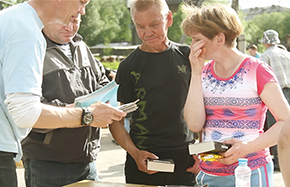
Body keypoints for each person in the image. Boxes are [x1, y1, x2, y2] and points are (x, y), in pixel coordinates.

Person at [0, 1, 126, 186]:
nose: (82, 10)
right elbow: (25, 112)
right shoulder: (26, 32)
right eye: (82, 1)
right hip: (43, 159)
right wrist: (87, 115)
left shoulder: (13, 20)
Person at [181, 4, 290, 187]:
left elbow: (286, 122)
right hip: (209, 174)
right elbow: (194, 124)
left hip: (251, 173)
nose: (192, 46)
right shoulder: (202, 72)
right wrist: (196, 73)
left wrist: (246, 148)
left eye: (196, 39)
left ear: (218, 39)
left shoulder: (257, 70)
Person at [109, 0, 199, 186]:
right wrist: (135, 154)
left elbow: (205, 107)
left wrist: (202, 150)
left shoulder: (188, 56)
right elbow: (115, 121)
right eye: (140, 26)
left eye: (154, 24)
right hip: (144, 162)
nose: (147, 32)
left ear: (169, 19)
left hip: (185, 161)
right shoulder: (128, 67)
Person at [20, 16, 111, 186]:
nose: (70, 27)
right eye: (65, 20)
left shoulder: (81, 46)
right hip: (48, 164)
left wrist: (106, 102)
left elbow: (102, 81)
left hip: (88, 161)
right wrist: (76, 112)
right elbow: (28, 109)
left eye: (76, 20)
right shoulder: (32, 49)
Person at [259, 29, 290, 171]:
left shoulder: (265, 56)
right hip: (289, 91)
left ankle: (279, 161)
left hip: (275, 94)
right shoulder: (287, 54)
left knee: (276, 127)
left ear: (265, 42)